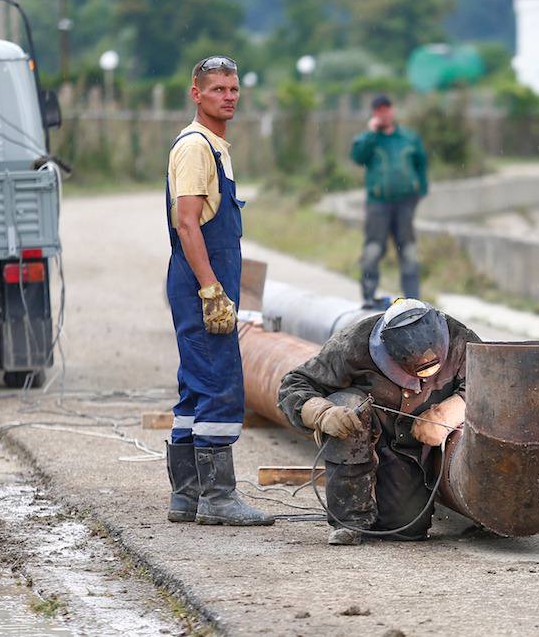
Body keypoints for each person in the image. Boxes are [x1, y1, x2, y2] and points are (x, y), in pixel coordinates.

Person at [163, 55, 273, 527]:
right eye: (217, 90)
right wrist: (211, 289)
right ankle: (218, 498)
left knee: (195, 384)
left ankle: (186, 497)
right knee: (220, 383)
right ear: (196, 93)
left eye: (233, 89)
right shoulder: (195, 147)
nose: (227, 97)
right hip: (199, 281)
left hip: (203, 280)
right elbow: (188, 223)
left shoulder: (216, 147)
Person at [278, 299, 480, 545]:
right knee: (348, 405)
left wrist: (454, 409)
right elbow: (294, 384)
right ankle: (350, 519)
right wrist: (321, 413)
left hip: (412, 449)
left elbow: (497, 383)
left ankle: (388, 501)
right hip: (369, 429)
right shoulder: (357, 343)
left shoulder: (460, 340)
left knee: (406, 529)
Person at [350, 95, 429, 309]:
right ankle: (368, 297)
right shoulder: (369, 139)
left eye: (386, 109)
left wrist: (419, 190)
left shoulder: (408, 138)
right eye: (378, 110)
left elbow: (421, 164)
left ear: (392, 111)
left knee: (409, 252)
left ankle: (414, 302)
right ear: (374, 114)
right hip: (378, 205)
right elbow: (357, 157)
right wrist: (370, 133)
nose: (383, 113)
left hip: (405, 204)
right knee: (373, 251)